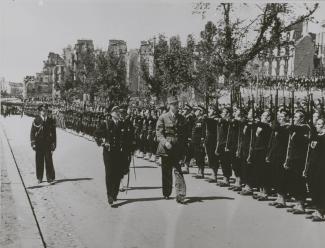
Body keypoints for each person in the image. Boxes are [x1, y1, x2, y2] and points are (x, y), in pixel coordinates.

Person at [156, 96, 187, 204]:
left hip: (177, 148)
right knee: (166, 171)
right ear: (169, 105)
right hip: (166, 149)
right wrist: (165, 142)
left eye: (177, 104)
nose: (176, 106)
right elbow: (159, 133)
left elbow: (184, 135)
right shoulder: (163, 117)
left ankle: (180, 194)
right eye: (174, 104)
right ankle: (166, 192)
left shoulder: (182, 118)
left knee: (178, 170)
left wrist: (184, 150)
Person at [94, 106, 124, 206]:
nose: (118, 113)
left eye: (118, 111)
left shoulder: (121, 124)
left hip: (119, 153)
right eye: (115, 111)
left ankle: (115, 193)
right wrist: (102, 143)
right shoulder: (105, 123)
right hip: (109, 153)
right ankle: (110, 195)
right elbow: (96, 134)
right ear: (111, 113)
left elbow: (126, 137)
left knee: (118, 174)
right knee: (110, 173)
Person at [30, 104, 56, 184]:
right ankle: (39, 177)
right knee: (39, 161)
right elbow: (32, 132)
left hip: (48, 143)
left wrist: (54, 143)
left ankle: (49, 178)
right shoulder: (36, 120)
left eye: (45, 110)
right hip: (39, 144)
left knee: (49, 160)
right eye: (42, 110)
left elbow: (54, 133)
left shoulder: (51, 120)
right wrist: (33, 142)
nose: (44, 112)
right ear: (40, 111)